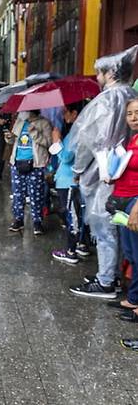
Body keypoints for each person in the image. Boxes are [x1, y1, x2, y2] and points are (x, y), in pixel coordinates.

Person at [68, 45, 138, 299]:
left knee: (103, 225)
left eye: (100, 72)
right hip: (125, 176)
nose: (97, 77)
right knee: (117, 227)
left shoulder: (107, 100)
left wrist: (77, 169)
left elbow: (87, 140)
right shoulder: (130, 96)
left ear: (110, 72)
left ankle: (106, 280)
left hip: (103, 174)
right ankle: (112, 275)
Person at [106, 98, 138, 317]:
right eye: (129, 113)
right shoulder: (133, 139)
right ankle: (133, 298)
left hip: (135, 203)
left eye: (137, 112)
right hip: (123, 201)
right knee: (131, 254)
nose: (133, 118)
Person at [50, 100, 91, 264]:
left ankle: (70, 251)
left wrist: (56, 141)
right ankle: (82, 245)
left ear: (75, 114)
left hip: (68, 182)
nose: (62, 114)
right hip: (71, 181)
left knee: (71, 217)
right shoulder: (79, 130)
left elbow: (66, 157)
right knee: (78, 216)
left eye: (66, 111)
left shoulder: (76, 132)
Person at [6, 110, 53, 235]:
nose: (22, 112)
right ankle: (18, 220)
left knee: (36, 194)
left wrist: (35, 133)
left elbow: (49, 143)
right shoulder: (20, 122)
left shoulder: (44, 123)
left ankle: (37, 222)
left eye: (25, 110)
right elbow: (14, 141)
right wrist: (9, 138)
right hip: (17, 163)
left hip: (36, 165)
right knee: (18, 194)